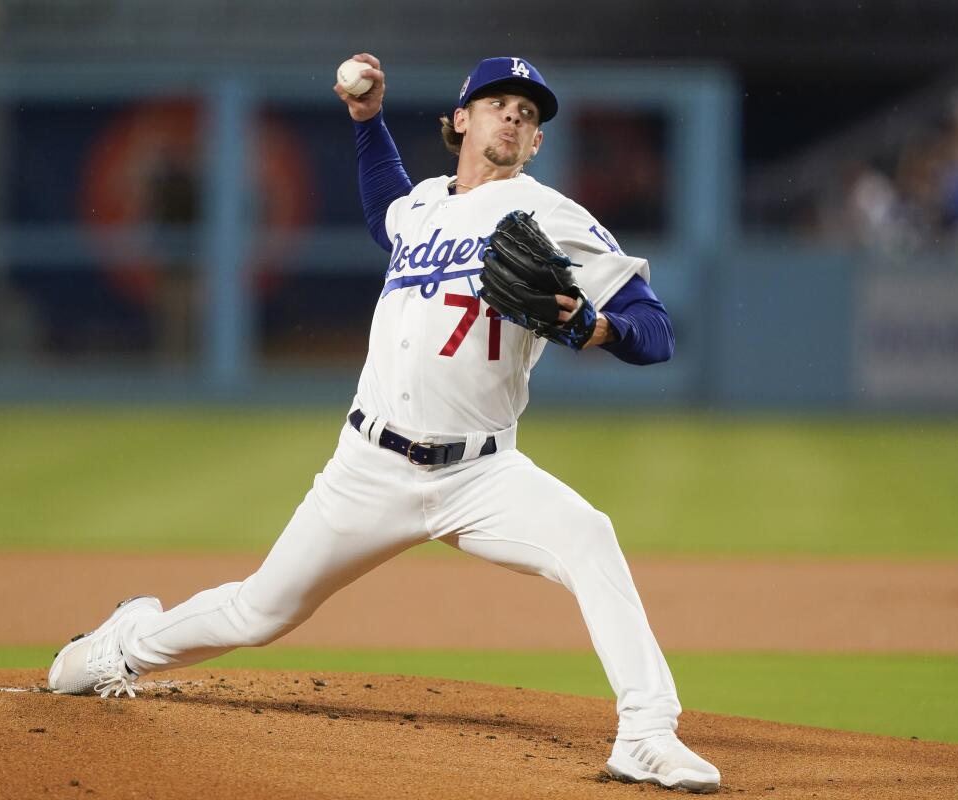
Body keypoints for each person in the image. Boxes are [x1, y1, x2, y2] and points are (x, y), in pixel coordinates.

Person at [48, 54, 721, 794]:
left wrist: (596, 329)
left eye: (529, 115)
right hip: (368, 467)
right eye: (499, 103)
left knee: (589, 536)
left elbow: (654, 333)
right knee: (260, 611)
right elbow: (384, 211)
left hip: (480, 473)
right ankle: (126, 645)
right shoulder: (423, 207)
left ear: (534, 143)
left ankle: (648, 734)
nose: (515, 118)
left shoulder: (552, 215)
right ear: (461, 119)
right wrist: (367, 122)